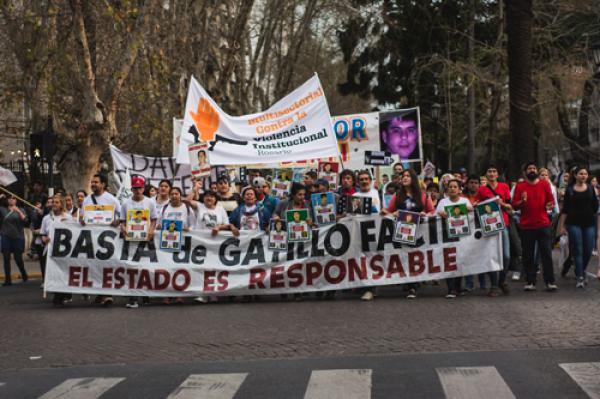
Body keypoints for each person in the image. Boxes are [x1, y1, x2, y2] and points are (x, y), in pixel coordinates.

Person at [381, 169, 435, 300]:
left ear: (413, 179)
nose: (404, 178)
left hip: (419, 233)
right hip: (403, 232)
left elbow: (432, 211)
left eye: (407, 176)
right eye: (403, 176)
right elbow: (386, 211)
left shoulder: (423, 196)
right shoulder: (397, 195)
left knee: (417, 257)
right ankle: (410, 284)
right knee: (406, 257)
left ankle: (414, 284)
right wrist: (392, 214)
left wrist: (425, 214)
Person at [512, 162, 557, 292]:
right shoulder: (520, 186)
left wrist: (549, 206)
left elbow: (551, 202)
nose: (532, 170)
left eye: (534, 168)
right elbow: (515, 205)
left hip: (543, 224)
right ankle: (530, 281)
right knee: (528, 255)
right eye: (529, 168)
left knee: (546, 254)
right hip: (527, 226)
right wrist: (522, 201)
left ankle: (550, 281)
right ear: (525, 172)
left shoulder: (544, 184)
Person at [80, 174, 120, 306]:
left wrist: (117, 221)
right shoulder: (87, 200)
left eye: (96, 182)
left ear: (103, 184)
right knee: (95, 267)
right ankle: (100, 293)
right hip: (91, 239)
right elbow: (82, 217)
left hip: (107, 240)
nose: (93, 184)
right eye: (92, 182)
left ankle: (107, 294)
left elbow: (121, 216)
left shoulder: (112, 200)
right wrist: (82, 220)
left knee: (106, 266)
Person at [120, 176, 158, 309]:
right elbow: (122, 221)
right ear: (132, 189)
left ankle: (145, 295)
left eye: (140, 188)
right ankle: (133, 298)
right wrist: (124, 230)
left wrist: (151, 231)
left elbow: (154, 219)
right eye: (135, 188)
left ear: (143, 189)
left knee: (145, 267)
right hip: (131, 241)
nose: (137, 190)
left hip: (146, 240)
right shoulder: (125, 203)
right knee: (132, 268)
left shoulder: (150, 202)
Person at [557, 166, 598, 288]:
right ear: (575, 175)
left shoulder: (591, 189)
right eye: (581, 174)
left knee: (588, 249)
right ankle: (580, 276)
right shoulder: (570, 190)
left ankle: (581, 269)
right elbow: (565, 210)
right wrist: (562, 226)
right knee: (578, 249)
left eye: (585, 174)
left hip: (589, 223)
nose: (583, 176)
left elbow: (595, 207)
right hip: (573, 223)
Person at [475, 165, 512, 296]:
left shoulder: (504, 187)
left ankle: (502, 280)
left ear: (497, 174)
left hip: (503, 224)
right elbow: (477, 205)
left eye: (494, 171)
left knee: (506, 256)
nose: (491, 173)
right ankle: (494, 286)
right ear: (486, 174)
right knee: (491, 256)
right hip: (488, 226)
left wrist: (501, 204)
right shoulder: (482, 189)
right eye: (489, 171)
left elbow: (509, 206)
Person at [436, 180, 473, 298]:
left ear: (459, 189)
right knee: (449, 261)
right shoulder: (442, 202)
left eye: (455, 187)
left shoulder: (465, 201)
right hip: (447, 236)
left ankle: (457, 286)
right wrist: (440, 213)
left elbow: (472, 214)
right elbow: (434, 216)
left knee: (460, 260)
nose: (452, 189)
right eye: (450, 187)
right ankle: (451, 288)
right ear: (447, 189)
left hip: (462, 236)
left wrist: (469, 209)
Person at [40, 195, 73, 305]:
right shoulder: (46, 218)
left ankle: (62, 295)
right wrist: (45, 239)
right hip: (49, 251)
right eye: (53, 202)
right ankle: (58, 293)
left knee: (63, 273)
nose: (54, 204)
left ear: (61, 204)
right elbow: (43, 234)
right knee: (52, 274)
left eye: (57, 202)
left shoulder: (68, 217)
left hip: (64, 252)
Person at [1, 195, 29, 286]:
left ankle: (24, 274)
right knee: (6, 258)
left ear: (16, 200)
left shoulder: (21, 209)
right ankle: (7, 279)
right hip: (6, 236)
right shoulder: (3, 209)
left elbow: (26, 221)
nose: (11, 200)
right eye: (9, 198)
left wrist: (18, 211)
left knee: (18, 259)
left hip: (18, 237)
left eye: (13, 198)